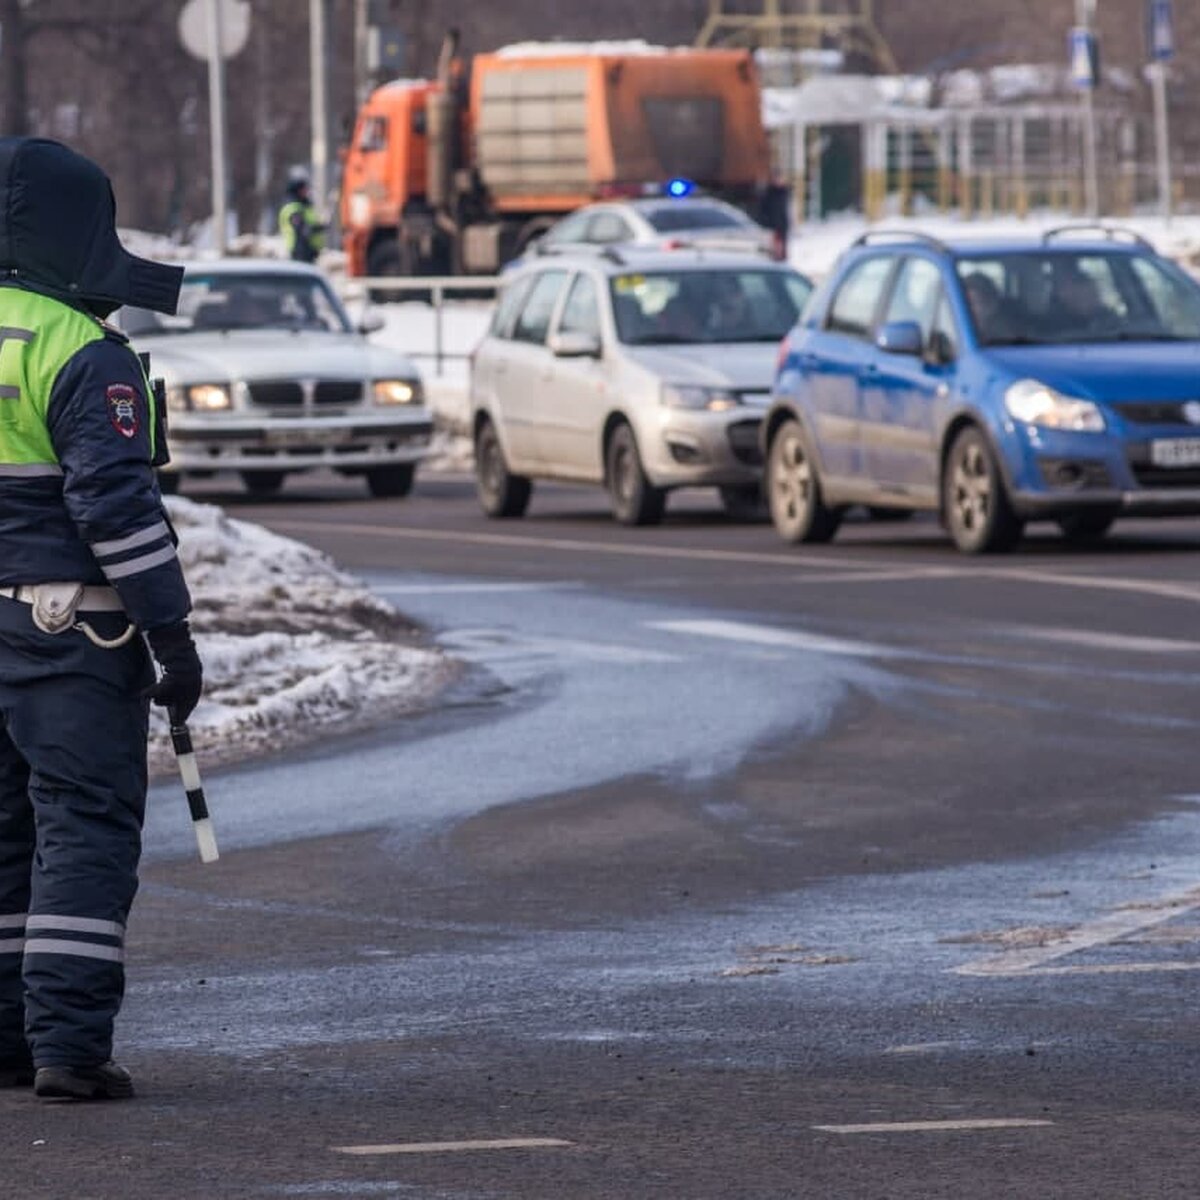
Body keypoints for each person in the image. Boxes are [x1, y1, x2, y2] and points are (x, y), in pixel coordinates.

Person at [0, 137, 202, 1102]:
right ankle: (69, 1051)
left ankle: (6, 1035)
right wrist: (172, 634)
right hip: (69, 635)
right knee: (80, 828)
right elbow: (116, 512)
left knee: (2, 836)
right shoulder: (83, 351)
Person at [278, 175, 326, 264]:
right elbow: (302, 229)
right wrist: (319, 227)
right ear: (297, 191)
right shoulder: (293, 208)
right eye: (304, 189)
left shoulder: (304, 206)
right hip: (300, 252)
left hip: (309, 252)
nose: (307, 191)